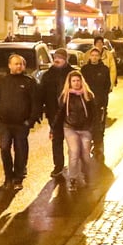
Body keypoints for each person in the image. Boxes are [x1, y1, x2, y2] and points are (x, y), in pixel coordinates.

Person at [0, 54, 41, 191]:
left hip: (21, 124)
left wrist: (30, 120)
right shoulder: (2, 82)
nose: (19, 66)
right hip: (5, 123)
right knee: (4, 148)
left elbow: (35, 103)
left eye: (21, 64)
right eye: (16, 64)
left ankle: (18, 177)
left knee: (20, 150)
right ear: (9, 65)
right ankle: (8, 176)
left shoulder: (29, 82)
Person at [54, 71, 98, 191]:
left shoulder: (88, 95)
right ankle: (72, 179)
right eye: (73, 81)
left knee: (85, 156)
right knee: (74, 152)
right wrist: (54, 129)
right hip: (70, 128)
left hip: (85, 129)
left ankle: (86, 176)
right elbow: (60, 114)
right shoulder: (65, 96)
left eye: (78, 80)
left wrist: (93, 129)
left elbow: (94, 114)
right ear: (69, 83)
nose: (76, 83)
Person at [41, 48, 72, 177]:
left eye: (60, 57)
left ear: (65, 59)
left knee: (73, 140)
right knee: (57, 140)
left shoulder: (72, 74)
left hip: (71, 113)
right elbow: (42, 94)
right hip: (54, 113)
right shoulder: (48, 75)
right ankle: (58, 166)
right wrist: (42, 110)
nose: (57, 60)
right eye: (55, 58)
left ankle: (75, 165)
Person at [80, 46, 111, 156]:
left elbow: (107, 86)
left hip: (100, 101)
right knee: (88, 124)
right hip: (87, 102)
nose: (94, 57)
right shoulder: (84, 70)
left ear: (99, 57)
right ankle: (88, 143)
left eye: (96, 55)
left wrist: (104, 100)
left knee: (99, 125)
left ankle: (98, 145)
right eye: (92, 55)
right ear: (89, 56)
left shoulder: (104, 69)